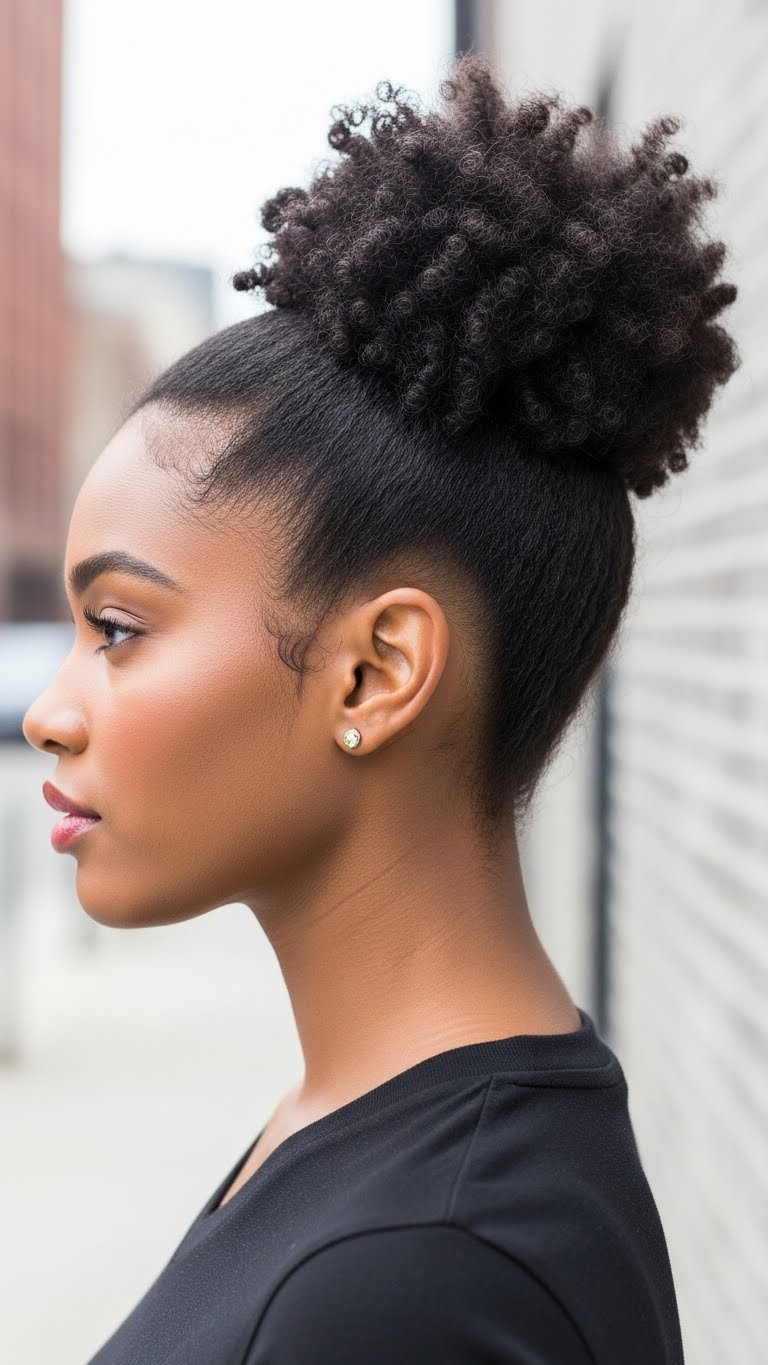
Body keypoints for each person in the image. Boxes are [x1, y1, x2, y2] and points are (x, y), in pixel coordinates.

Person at [23, 53, 738, 1365]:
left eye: (118, 629)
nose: (47, 715)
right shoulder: (384, 1137)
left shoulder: (409, 1284)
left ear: (375, 672)